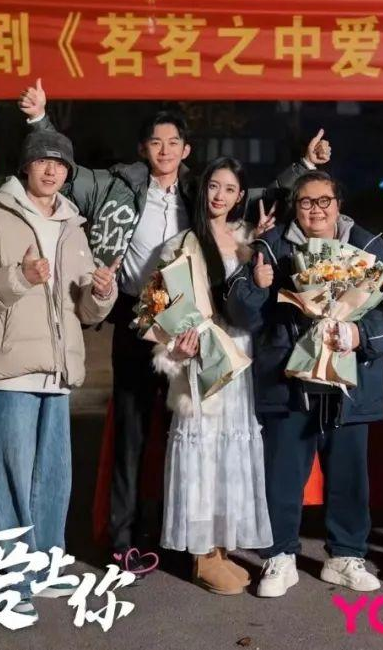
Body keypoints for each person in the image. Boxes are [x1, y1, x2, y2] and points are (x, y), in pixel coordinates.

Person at [17, 79, 327, 573]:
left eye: (173, 142)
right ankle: (123, 539)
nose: (164, 150)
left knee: (185, 431)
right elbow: (65, 176)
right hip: (138, 319)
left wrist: (305, 166)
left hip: (195, 327)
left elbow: (257, 194)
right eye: (156, 142)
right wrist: (39, 120)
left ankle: (178, 532)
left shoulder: (197, 191)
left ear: (186, 150)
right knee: (133, 432)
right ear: (145, 148)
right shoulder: (119, 185)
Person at [227, 170, 383, 598]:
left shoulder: (370, 248)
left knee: (349, 475)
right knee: (283, 473)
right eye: (306, 202)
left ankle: (345, 556)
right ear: (295, 208)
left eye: (324, 200)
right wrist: (257, 286)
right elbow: (241, 314)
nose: (316, 210)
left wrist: (359, 335)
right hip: (288, 380)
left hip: (350, 383)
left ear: (338, 204)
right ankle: (279, 556)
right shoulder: (271, 247)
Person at [0, 130, 117, 618]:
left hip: (58, 371)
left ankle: (45, 568)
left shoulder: (73, 225)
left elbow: (85, 311)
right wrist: (21, 277)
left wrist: (102, 292)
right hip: (10, 368)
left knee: (53, 477)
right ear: (25, 167)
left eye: (60, 164)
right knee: (9, 478)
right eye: (42, 161)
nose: (51, 170)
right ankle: (8, 584)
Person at [151, 157, 275, 595]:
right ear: (202, 190)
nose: (220, 196)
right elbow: (160, 310)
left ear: (240, 196)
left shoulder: (247, 242)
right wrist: (175, 349)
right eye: (213, 186)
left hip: (239, 352)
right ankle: (201, 555)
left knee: (229, 450)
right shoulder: (181, 245)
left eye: (230, 189)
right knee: (203, 449)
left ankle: (221, 546)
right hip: (204, 356)